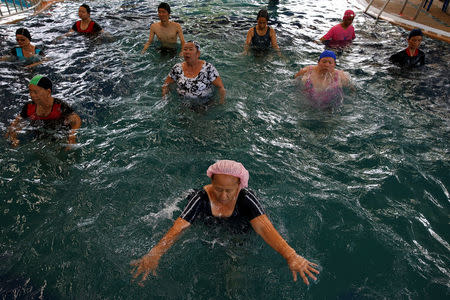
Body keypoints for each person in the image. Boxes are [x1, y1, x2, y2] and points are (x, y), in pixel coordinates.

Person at [131, 160, 320, 285]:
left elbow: (264, 226)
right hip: (209, 223)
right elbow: (180, 225)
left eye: (229, 190)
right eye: (218, 189)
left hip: (239, 225)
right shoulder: (200, 197)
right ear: (211, 182)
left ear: (239, 185)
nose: (222, 195)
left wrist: (291, 256)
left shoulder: (246, 198)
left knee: (237, 262)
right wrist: (155, 253)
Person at [5, 75, 81, 148]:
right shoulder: (29, 106)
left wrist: (72, 137)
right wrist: (13, 137)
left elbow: (76, 119)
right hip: (39, 131)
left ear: (48, 92)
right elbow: (16, 122)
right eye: (30, 91)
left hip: (59, 130)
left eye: (35, 92)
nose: (32, 95)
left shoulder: (59, 105)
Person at [162, 41, 226, 105]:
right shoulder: (177, 68)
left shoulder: (208, 68)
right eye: (185, 49)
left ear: (198, 53)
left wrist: (221, 103)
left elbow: (221, 88)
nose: (187, 52)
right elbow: (166, 85)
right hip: (183, 104)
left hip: (205, 103)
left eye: (190, 49)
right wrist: (165, 100)